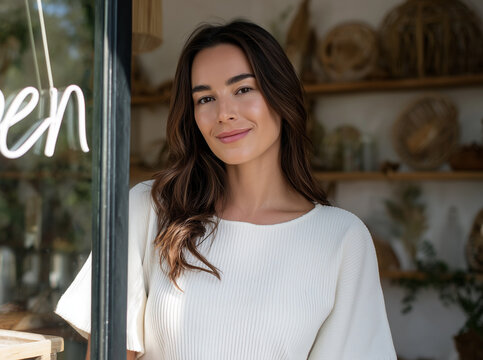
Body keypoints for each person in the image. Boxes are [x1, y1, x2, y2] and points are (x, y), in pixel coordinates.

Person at [55, 20, 396, 359]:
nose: (223, 113)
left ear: (281, 96)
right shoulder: (151, 208)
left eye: (243, 90)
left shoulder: (341, 237)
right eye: (205, 98)